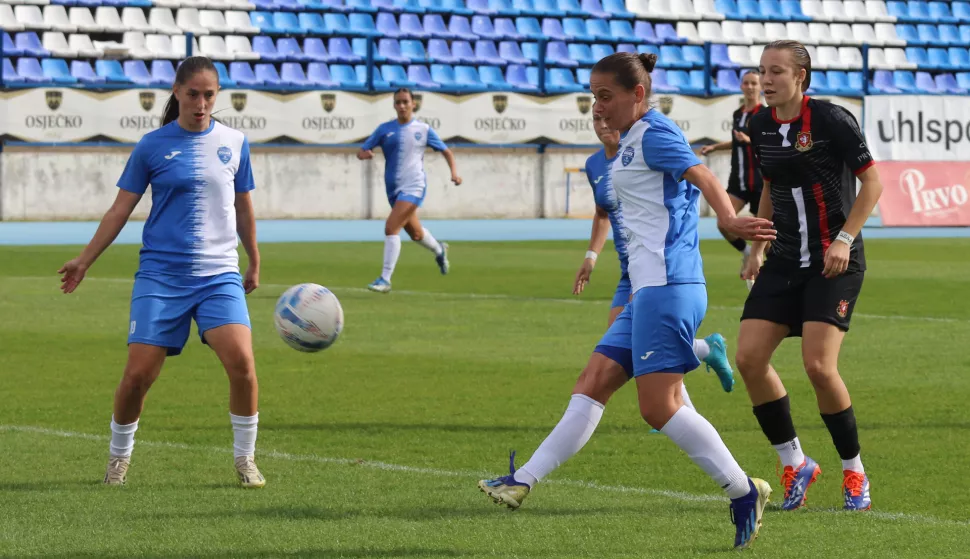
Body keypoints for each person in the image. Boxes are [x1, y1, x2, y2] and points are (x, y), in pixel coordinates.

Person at [479, 53, 777, 550]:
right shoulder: (627, 145)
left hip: (669, 288)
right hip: (646, 292)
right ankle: (522, 480)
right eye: (593, 96)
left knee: (658, 407)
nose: (598, 106)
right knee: (591, 382)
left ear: (637, 94)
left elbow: (701, 174)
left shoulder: (656, 133)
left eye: (605, 96)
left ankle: (743, 490)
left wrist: (726, 217)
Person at [57, 56, 266, 489]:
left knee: (243, 363)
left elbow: (243, 206)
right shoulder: (152, 146)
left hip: (218, 275)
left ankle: (246, 460)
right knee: (137, 377)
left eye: (210, 95)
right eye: (193, 94)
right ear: (176, 91)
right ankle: (118, 459)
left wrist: (254, 259)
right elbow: (120, 209)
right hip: (161, 276)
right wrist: (84, 260)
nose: (202, 103)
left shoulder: (235, 142)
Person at [736, 40, 882, 512]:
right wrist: (756, 246)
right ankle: (795, 462)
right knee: (749, 359)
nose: (767, 79)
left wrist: (844, 239)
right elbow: (770, 187)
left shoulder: (831, 119)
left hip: (832, 260)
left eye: (776, 71)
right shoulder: (759, 123)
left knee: (819, 367)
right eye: (762, 70)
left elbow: (873, 182)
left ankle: (855, 471)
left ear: (801, 76)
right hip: (782, 259)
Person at [573, 114, 736, 395]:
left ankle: (671, 411)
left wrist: (728, 218)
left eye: (606, 116)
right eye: (596, 119)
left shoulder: (640, 151)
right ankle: (703, 354)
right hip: (629, 270)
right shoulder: (594, 165)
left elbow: (693, 180)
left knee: (643, 345)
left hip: (656, 267)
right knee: (635, 343)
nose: (603, 123)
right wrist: (591, 256)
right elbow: (602, 213)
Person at [357, 88, 462, 293]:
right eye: (398, 102)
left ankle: (385, 279)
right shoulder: (384, 129)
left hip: (414, 186)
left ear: (414, 104)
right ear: (394, 105)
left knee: (391, 227)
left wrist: (454, 173)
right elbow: (361, 151)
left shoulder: (422, 130)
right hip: (393, 190)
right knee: (415, 234)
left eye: (406, 102)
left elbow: (446, 151)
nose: (402, 106)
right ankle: (439, 249)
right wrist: (365, 154)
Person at [698, 70, 766, 287]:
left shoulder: (764, 114)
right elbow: (736, 141)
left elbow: (768, 144)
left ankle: (764, 272)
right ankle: (746, 252)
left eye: (754, 83)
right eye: (746, 83)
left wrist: (750, 140)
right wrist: (716, 147)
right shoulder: (738, 114)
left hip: (761, 181)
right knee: (723, 222)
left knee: (766, 233)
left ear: (760, 87)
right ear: (741, 86)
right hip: (738, 179)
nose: (750, 87)